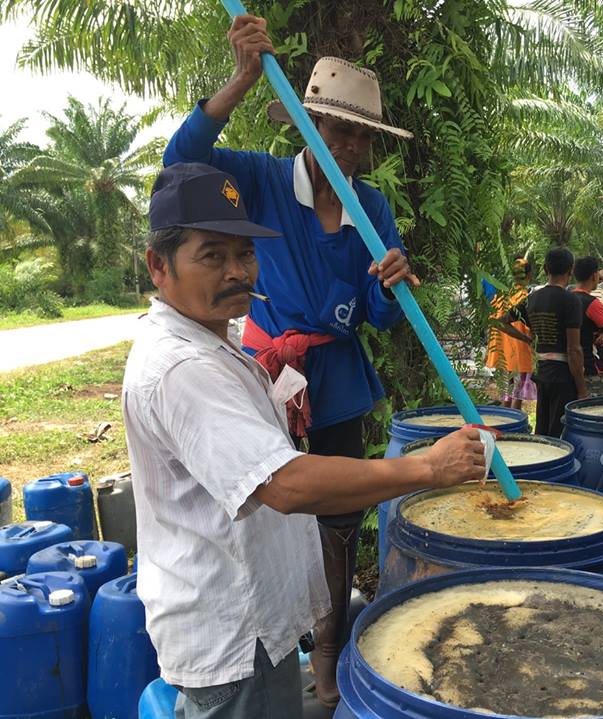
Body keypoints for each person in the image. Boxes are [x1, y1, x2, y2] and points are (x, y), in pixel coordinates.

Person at [124, 163, 487, 717]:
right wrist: (429, 469)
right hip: (233, 635)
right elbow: (286, 485)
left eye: (245, 253)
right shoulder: (182, 367)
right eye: (212, 256)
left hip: (251, 626)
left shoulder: (213, 340)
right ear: (159, 265)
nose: (236, 272)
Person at [162, 16, 421, 702]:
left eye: (361, 135)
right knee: (270, 506)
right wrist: (241, 79)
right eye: (337, 129)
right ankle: (277, 641)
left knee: (337, 521)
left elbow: (379, 316)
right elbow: (180, 161)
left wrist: (389, 286)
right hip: (269, 373)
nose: (350, 146)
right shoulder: (261, 179)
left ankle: (327, 652)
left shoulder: (372, 208)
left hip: (337, 381)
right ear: (308, 125)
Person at [500, 248, 586, 437]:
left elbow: (502, 322)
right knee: (560, 433)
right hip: (563, 375)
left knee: (542, 428)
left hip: (542, 371)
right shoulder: (571, 300)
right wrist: (582, 389)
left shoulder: (531, 299)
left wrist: (527, 338)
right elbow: (574, 350)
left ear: (546, 269)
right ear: (570, 270)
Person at [485, 259, 536, 409]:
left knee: (506, 393)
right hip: (520, 352)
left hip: (502, 354)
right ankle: (515, 419)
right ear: (529, 275)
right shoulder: (525, 299)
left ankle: (505, 418)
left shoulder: (500, 297)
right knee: (517, 395)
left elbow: (493, 323)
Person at [572, 256, 603, 397]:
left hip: (569, 367)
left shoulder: (567, 299)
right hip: (590, 367)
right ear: (594, 276)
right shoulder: (592, 303)